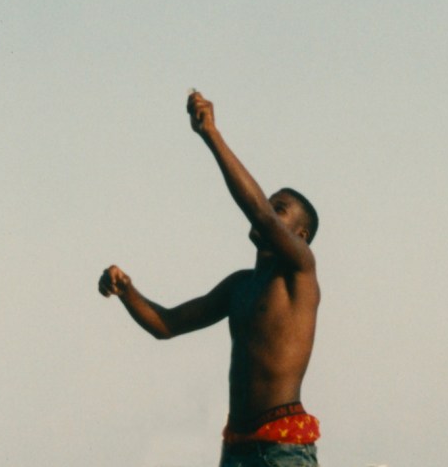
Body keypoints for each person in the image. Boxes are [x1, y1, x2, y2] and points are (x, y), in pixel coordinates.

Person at [99, 89, 321, 465]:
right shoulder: (239, 286)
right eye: (267, 201)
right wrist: (127, 291)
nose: (266, 208)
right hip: (236, 448)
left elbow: (260, 217)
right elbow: (165, 325)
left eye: (278, 208)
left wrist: (211, 135)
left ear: (300, 236)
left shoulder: (300, 270)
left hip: (283, 450)